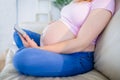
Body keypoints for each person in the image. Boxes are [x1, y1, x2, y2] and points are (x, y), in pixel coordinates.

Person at [13, 0, 115, 77]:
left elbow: (81, 43)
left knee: (21, 58)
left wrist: (39, 49)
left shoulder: (104, 2)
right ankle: (41, 53)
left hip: (77, 56)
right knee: (19, 34)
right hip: (58, 47)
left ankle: (38, 53)